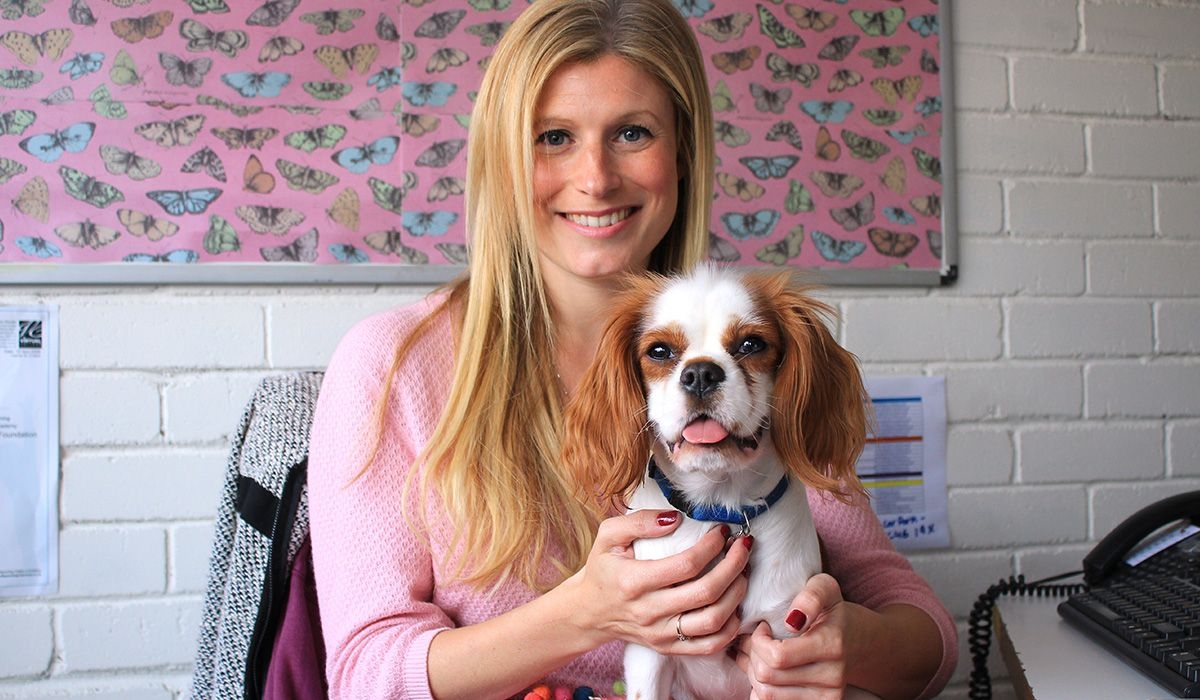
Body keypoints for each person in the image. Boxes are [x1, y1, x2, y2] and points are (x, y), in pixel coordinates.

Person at [307, 0, 958, 697]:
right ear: (501, 158)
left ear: (680, 152)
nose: (595, 178)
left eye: (632, 132)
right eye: (553, 136)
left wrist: (852, 646)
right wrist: (584, 616)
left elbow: (928, 638)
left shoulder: (753, 360)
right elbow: (363, 677)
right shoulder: (391, 367)